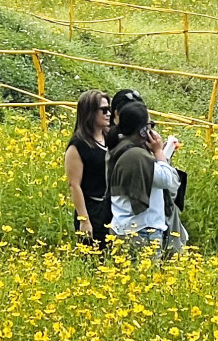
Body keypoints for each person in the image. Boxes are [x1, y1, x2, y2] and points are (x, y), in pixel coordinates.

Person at [107, 100, 187, 261]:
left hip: (122, 229)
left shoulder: (119, 147)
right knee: (146, 281)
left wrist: (159, 155)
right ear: (143, 131)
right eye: (150, 125)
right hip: (142, 231)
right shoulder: (137, 156)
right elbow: (169, 181)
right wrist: (158, 152)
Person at [64, 91, 113, 248]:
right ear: (90, 112)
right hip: (92, 209)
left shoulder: (110, 137)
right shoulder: (78, 145)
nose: (108, 114)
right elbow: (74, 185)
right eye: (103, 110)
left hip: (111, 208)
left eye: (109, 109)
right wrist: (84, 220)